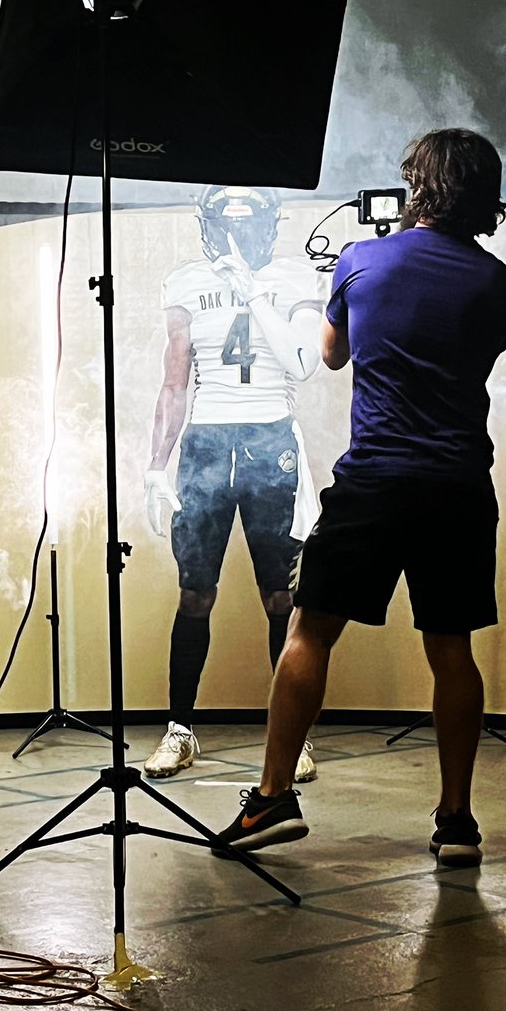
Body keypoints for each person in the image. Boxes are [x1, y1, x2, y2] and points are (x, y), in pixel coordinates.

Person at [214, 129, 506, 868]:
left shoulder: (361, 259)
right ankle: (457, 821)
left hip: (374, 481)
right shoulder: (500, 284)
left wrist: (365, 272)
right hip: (457, 484)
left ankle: (272, 799)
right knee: (452, 649)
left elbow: (333, 353)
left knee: (310, 631)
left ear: (418, 186)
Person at [143, 186, 324, 781]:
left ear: (268, 224)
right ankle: (179, 730)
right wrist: (156, 464)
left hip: (272, 436)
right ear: (209, 225)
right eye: (227, 221)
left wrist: (253, 289)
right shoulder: (188, 281)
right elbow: (175, 382)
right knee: (195, 594)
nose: (237, 232)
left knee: (281, 597)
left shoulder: (295, 277)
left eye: (248, 221)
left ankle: (292, 735)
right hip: (207, 442)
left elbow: (302, 362)